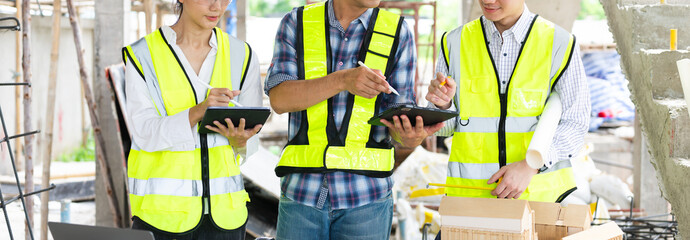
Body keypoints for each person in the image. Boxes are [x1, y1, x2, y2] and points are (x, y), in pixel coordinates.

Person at [264, 0, 443, 239]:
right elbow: (279, 99)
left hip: (366, 199)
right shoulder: (296, 23)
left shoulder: (397, 31)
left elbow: (399, 116)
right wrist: (342, 80)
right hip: (302, 194)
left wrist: (410, 136)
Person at [122, 0, 262, 239]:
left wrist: (240, 141)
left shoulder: (243, 55)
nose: (217, 6)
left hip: (226, 220)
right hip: (162, 220)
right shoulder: (143, 55)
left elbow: (250, 142)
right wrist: (198, 111)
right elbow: (145, 133)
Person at [426, 0, 590, 202]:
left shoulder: (560, 43)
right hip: (470, 200)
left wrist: (531, 166)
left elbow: (575, 123)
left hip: (538, 200)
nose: (487, 0)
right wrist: (442, 105)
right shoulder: (454, 42)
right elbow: (444, 129)